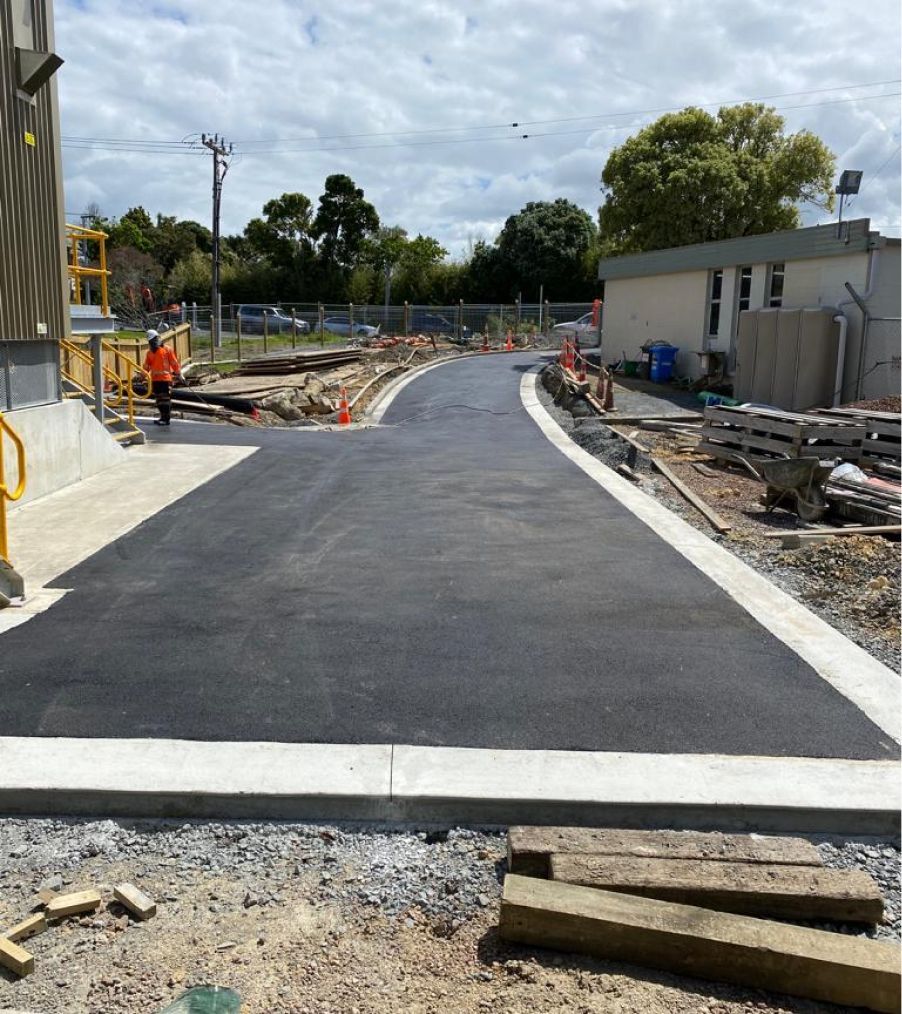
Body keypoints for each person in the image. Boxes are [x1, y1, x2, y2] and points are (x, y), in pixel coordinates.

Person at [142, 330, 182, 426]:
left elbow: (174, 363)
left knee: (165, 400)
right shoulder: (149, 353)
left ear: (157, 338)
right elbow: (146, 367)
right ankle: (162, 417)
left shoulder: (167, 350)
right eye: (150, 341)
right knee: (159, 400)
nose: (152, 343)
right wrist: (141, 376)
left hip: (165, 379)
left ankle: (166, 419)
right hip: (155, 380)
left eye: (153, 340)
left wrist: (179, 373)